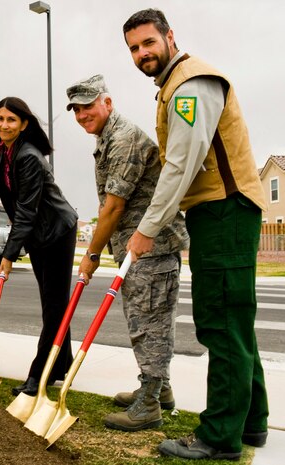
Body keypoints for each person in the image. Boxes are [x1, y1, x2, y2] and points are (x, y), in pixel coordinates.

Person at [123, 9, 269, 460]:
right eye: (133, 48)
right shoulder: (175, 84)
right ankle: (251, 422)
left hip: (224, 211)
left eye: (148, 42)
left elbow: (181, 164)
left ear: (170, 36)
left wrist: (147, 228)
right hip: (219, 213)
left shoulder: (189, 84)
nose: (142, 53)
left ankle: (220, 437)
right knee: (235, 322)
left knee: (221, 323)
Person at [66, 74, 189, 432]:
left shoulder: (122, 139)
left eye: (88, 105)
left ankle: (149, 404)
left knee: (149, 325)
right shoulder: (107, 137)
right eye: (75, 109)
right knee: (147, 321)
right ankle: (159, 389)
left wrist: (90, 254)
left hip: (151, 246)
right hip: (137, 248)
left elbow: (113, 207)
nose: (81, 114)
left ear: (107, 102)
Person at [0, 97, 78, 396]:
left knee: (54, 306)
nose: (4, 124)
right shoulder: (4, 153)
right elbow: (14, 205)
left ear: (24, 124)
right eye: (0, 118)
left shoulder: (28, 155)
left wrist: (9, 254)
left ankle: (38, 374)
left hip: (56, 232)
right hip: (38, 235)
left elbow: (26, 210)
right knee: (54, 304)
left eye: (11, 120)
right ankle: (60, 363)